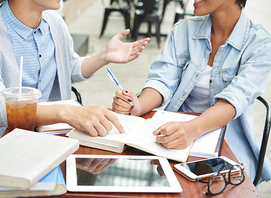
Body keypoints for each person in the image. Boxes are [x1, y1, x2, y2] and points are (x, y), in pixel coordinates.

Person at [112, 0, 271, 184]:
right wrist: (139, 105)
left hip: (227, 143)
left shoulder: (261, 44)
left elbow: (233, 100)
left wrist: (192, 130)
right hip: (174, 134)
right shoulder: (183, 30)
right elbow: (162, 80)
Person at [0, 0, 150, 153]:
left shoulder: (55, 22)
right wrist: (68, 113)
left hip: (56, 143)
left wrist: (104, 56)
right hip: (2, 150)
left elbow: (69, 67)